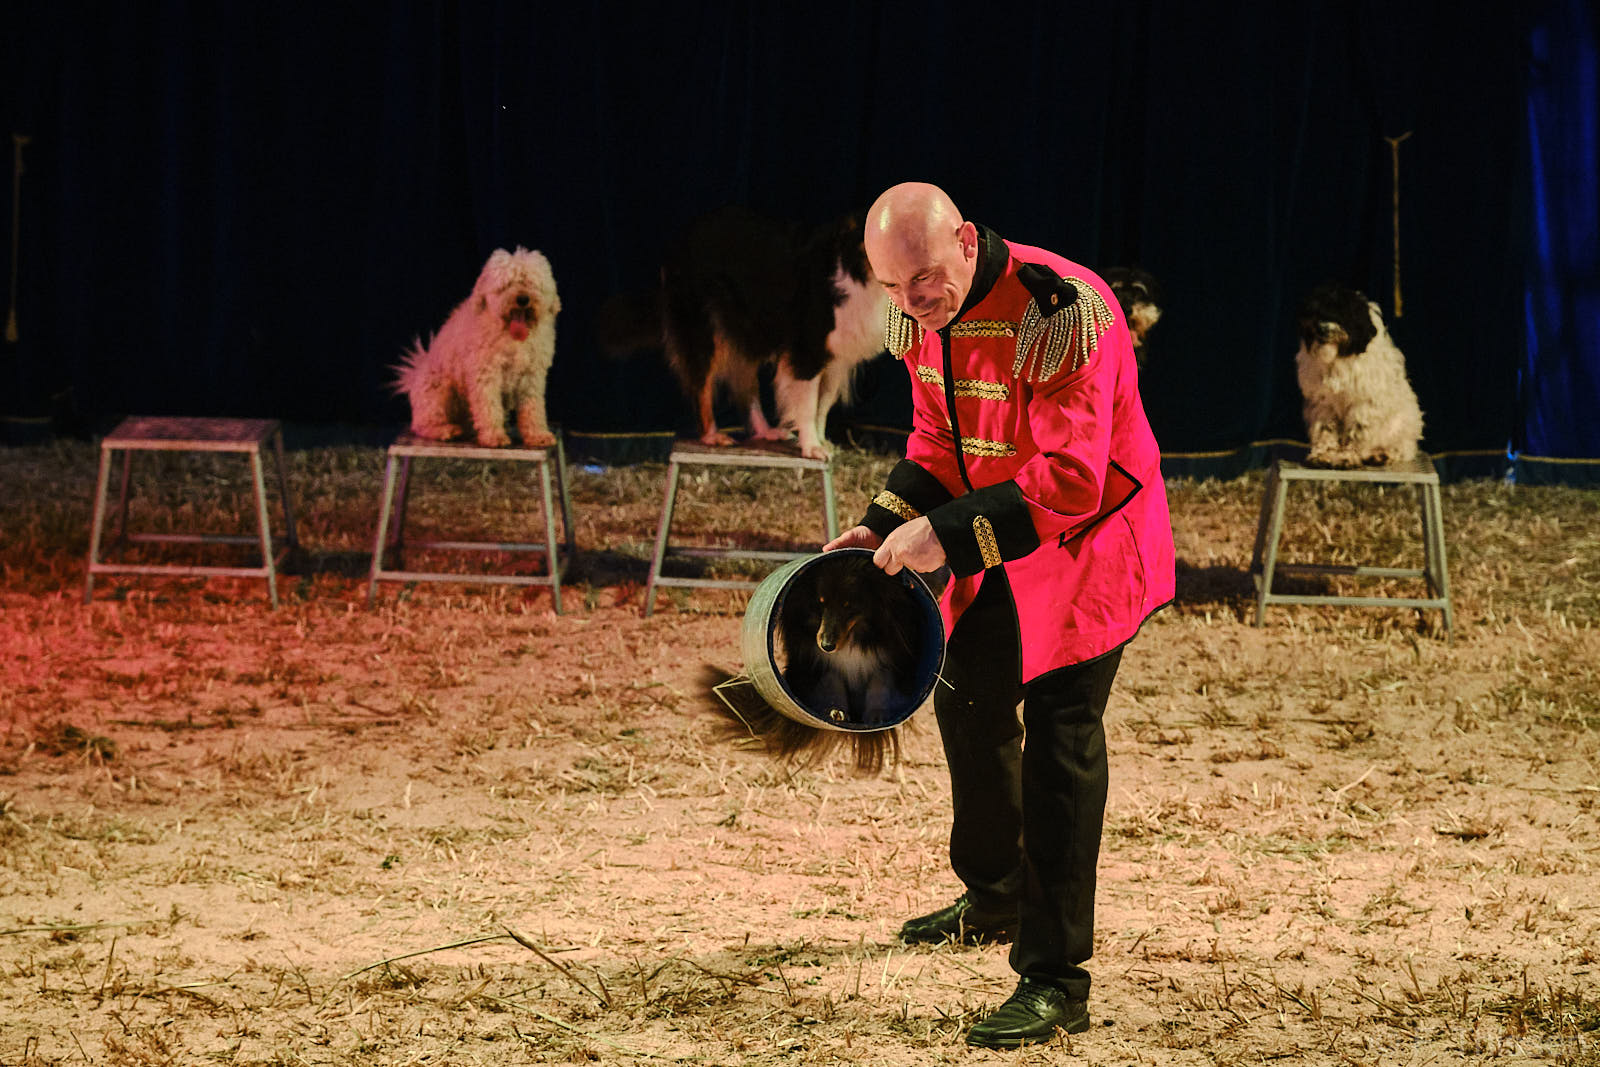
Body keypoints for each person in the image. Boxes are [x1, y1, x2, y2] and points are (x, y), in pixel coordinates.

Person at [823, 182, 1174, 1049]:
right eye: (893, 286)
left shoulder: (1064, 313)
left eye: (925, 278)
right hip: (995, 533)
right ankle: (994, 893)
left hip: (1088, 541)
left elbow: (1071, 481)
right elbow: (939, 442)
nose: (913, 300)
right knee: (968, 701)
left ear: (968, 241)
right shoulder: (920, 314)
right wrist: (882, 520)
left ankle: (1056, 979)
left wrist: (941, 537)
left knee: (1060, 740)